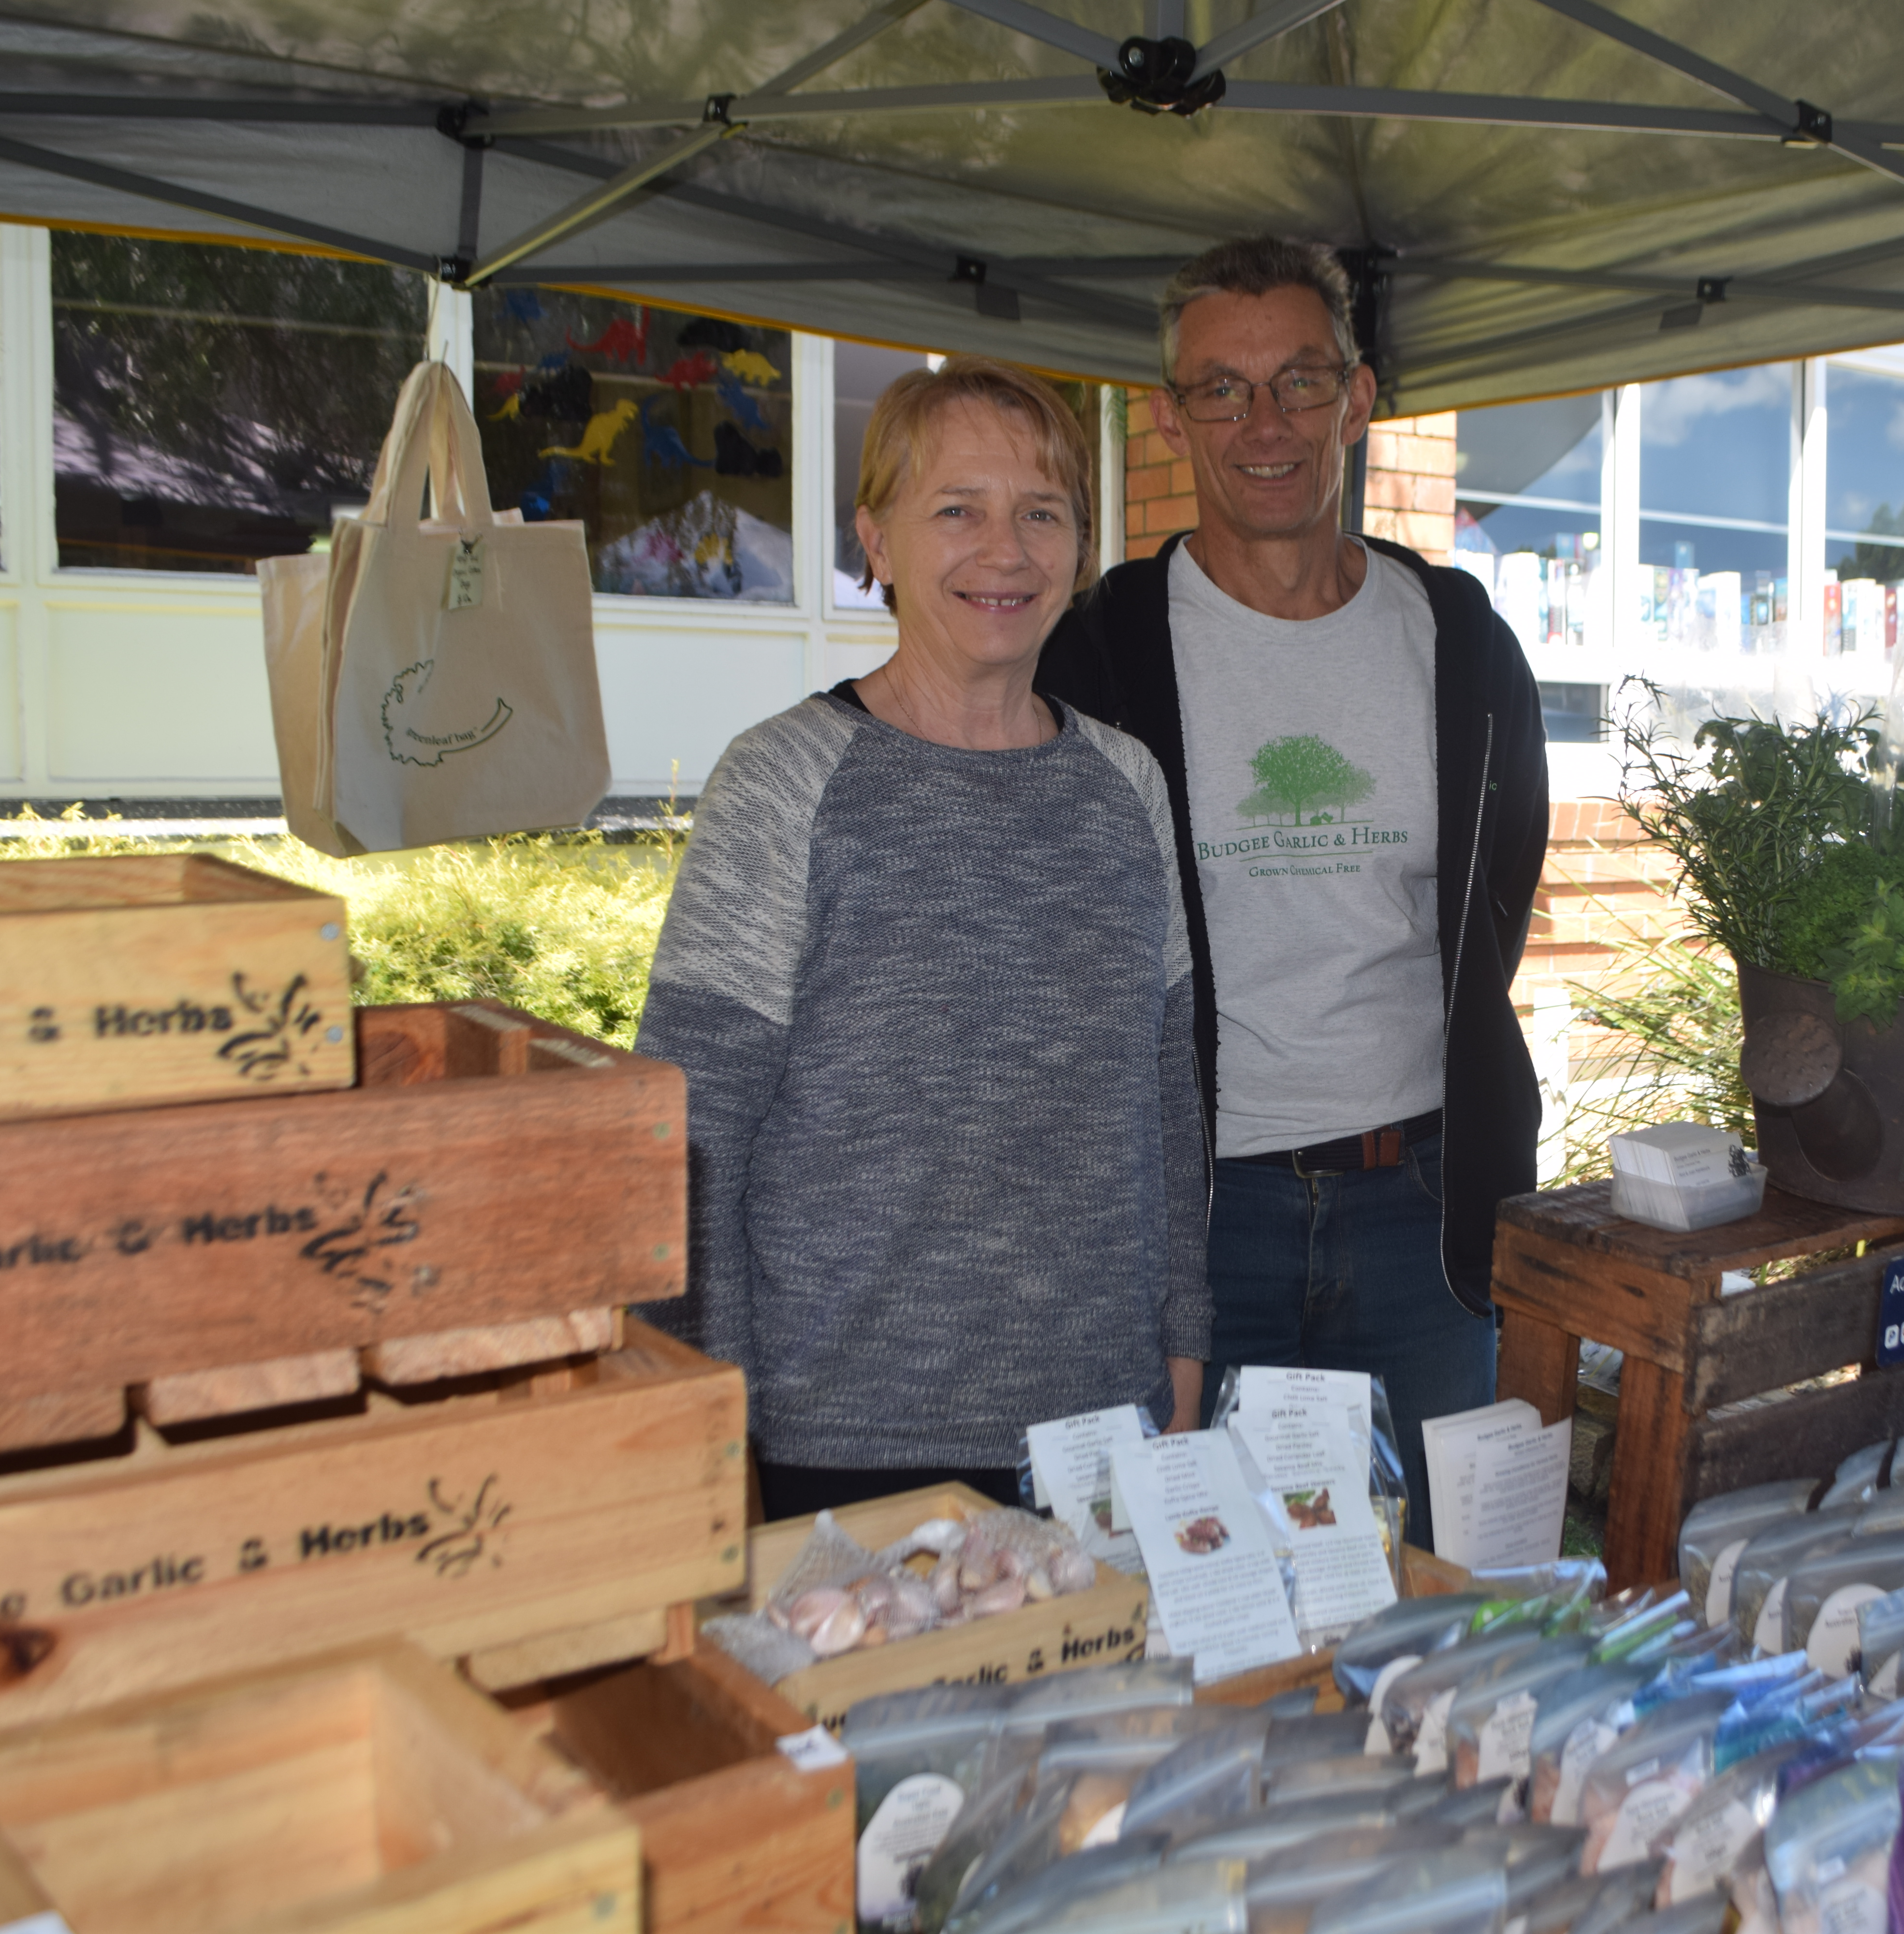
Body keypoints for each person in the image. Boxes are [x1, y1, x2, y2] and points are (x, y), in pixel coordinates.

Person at [1036, 237, 1548, 1549]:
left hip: (1427, 1209)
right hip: (1203, 1223)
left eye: (1299, 383)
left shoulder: (1461, 641)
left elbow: (1496, 901)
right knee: (1206, 1594)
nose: (1262, 425)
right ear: (1169, 414)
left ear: (1360, 399)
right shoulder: (1097, 651)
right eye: (1221, 389)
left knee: (1455, 1577)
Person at [638, 356, 1209, 1520]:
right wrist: (705, 1421)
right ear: (878, 542)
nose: (1004, 551)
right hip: (836, 1438)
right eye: (958, 509)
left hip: (1100, 1426)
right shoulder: (786, 780)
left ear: (1080, 548)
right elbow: (685, 1138)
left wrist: (1182, 1344)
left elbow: (1169, 1096)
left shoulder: (1127, 785)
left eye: (1041, 513)